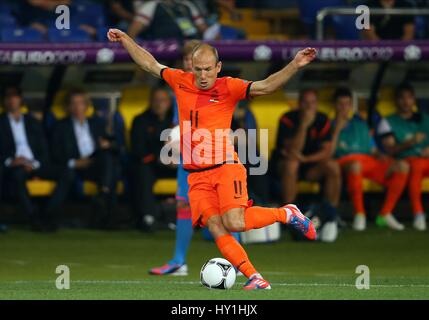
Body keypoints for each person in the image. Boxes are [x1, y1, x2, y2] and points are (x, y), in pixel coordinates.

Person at [108, 28, 317, 290]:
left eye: (208, 69)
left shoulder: (229, 87)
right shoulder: (180, 80)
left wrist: (295, 65)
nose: (203, 75)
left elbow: (265, 87)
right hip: (195, 175)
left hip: (225, 167)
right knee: (218, 228)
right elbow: (149, 63)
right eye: (198, 69)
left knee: (235, 222)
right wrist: (127, 40)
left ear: (218, 67)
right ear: (191, 67)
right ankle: (255, 277)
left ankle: (286, 214)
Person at [331, 87, 409, 231]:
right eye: (340, 104)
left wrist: (380, 155)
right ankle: (360, 214)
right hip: (345, 162)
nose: (343, 108)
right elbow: (329, 153)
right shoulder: (329, 125)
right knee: (355, 165)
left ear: (350, 106)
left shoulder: (360, 124)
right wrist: (337, 130)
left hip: (367, 161)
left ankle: (385, 213)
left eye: (347, 104)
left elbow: (372, 149)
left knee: (402, 166)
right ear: (335, 105)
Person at [0, 85, 72, 232]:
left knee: (67, 172)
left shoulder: (32, 121)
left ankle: (47, 214)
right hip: (14, 166)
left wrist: (34, 163)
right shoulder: (1, 123)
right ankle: (33, 217)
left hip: (36, 164)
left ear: (21, 100)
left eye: (15, 96)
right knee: (17, 175)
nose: (12, 100)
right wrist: (11, 162)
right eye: (8, 97)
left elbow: (43, 148)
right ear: (4, 101)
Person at [51, 88, 118, 229]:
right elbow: (54, 153)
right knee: (111, 170)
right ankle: (105, 211)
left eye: (80, 103)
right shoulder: (60, 126)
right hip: (75, 166)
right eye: (73, 103)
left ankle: (103, 196)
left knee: (108, 159)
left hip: (96, 163)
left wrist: (107, 144)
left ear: (87, 106)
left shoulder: (98, 123)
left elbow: (116, 145)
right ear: (68, 107)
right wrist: (74, 163)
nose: (77, 107)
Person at [275, 89, 341, 221]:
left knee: (333, 166)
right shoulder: (288, 118)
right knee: (292, 165)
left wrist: (306, 159)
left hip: (310, 164)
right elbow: (293, 149)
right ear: (299, 104)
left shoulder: (322, 119)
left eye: (313, 102)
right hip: (285, 164)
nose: (309, 106)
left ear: (317, 104)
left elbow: (327, 151)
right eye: (305, 102)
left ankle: (331, 214)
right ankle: (291, 216)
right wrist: (304, 126)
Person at [377, 83, 428, 231]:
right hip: (408, 162)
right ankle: (418, 214)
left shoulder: (424, 119)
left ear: (414, 100)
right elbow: (391, 150)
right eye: (402, 98)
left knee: (417, 165)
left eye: (409, 98)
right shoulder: (388, 122)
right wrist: (410, 142)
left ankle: (416, 214)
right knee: (415, 166)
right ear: (396, 101)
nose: (406, 102)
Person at [130, 86, 176, 231]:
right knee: (142, 170)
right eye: (156, 100)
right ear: (150, 102)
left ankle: (195, 217)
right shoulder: (140, 120)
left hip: (177, 165)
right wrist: (160, 158)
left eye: (163, 100)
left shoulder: (177, 120)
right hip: (153, 165)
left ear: (169, 102)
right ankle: (148, 216)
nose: (159, 104)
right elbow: (138, 150)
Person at [128, 0, 208, 40]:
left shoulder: (187, 5)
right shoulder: (152, 5)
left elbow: (205, 30)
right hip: (162, 48)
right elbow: (133, 31)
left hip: (188, 46)